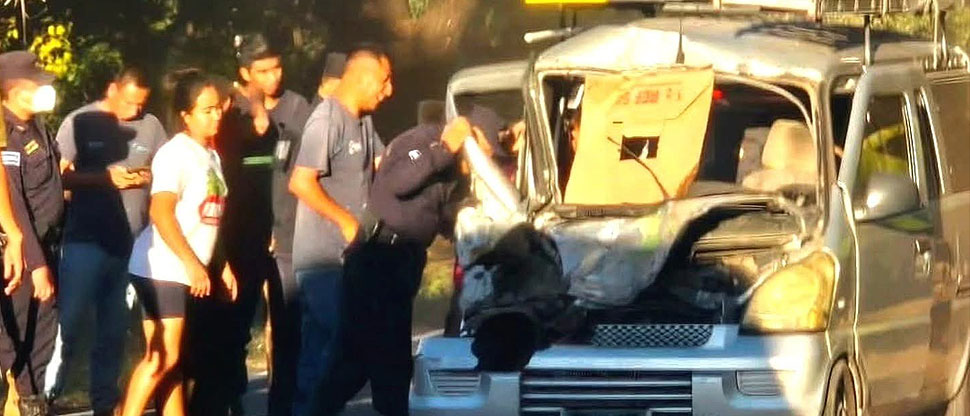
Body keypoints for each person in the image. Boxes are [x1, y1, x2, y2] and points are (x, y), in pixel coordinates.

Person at [312, 117, 484, 415]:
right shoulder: (418, 143)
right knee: (364, 358)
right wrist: (444, 148)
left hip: (402, 262)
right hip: (378, 258)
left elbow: (439, 212)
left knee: (381, 358)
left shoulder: (450, 169)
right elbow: (399, 182)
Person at [181, 33, 310, 416]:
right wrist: (252, 110)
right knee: (229, 328)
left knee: (288, 330)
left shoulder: (298, 107)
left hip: (282, 234)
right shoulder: (224, 108)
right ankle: (224, 398)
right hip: (234, 237)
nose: (273, 77)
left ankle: (281, 405)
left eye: (277, 68)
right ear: (243, 72)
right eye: (263, 71)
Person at [45, 67, 167, 416]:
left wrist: (144, 176)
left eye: (141, 104)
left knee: (113, 329)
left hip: (130, 243)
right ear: (112, 89)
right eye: (129, 102)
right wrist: (104, 179)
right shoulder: (79, 121)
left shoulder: (152, 126)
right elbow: (58, 176)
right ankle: (43, 395)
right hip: (85, 239)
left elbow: (163, 171)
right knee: (68, 324)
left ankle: (104, 401)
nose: (135, 111)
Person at [122, 69, 235, 416]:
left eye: (218, 108)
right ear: (185, 115)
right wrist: (191, 263)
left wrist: (222, 264)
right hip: (162, 267)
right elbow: (160, 212)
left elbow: (208, 218)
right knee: (163, 357)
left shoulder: (211, 155)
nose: (216, 116)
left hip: (186, 268)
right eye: (206, 110)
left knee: (176, 361)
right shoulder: (175, 154)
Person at [288, 45, 392, 416]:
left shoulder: (363, 121)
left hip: (349, 260)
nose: (389, 90)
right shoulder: (326, 119)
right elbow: (301, 182)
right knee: (346, 342)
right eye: (384, 81)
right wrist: (345, 220)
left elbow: (385, 163)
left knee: (320, 351)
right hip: (322, 259)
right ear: (361, 78)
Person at [0, 50, 62, 416]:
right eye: (35, 84)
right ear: (13, 89)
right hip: (20, 255)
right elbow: (15, 205)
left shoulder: (38, 127)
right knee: (11, 342)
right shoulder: (6, 134)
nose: (44, 89)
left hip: (47, 246)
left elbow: (51, 185)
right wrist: (35, 263)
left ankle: (32, 406)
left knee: (41, 338)